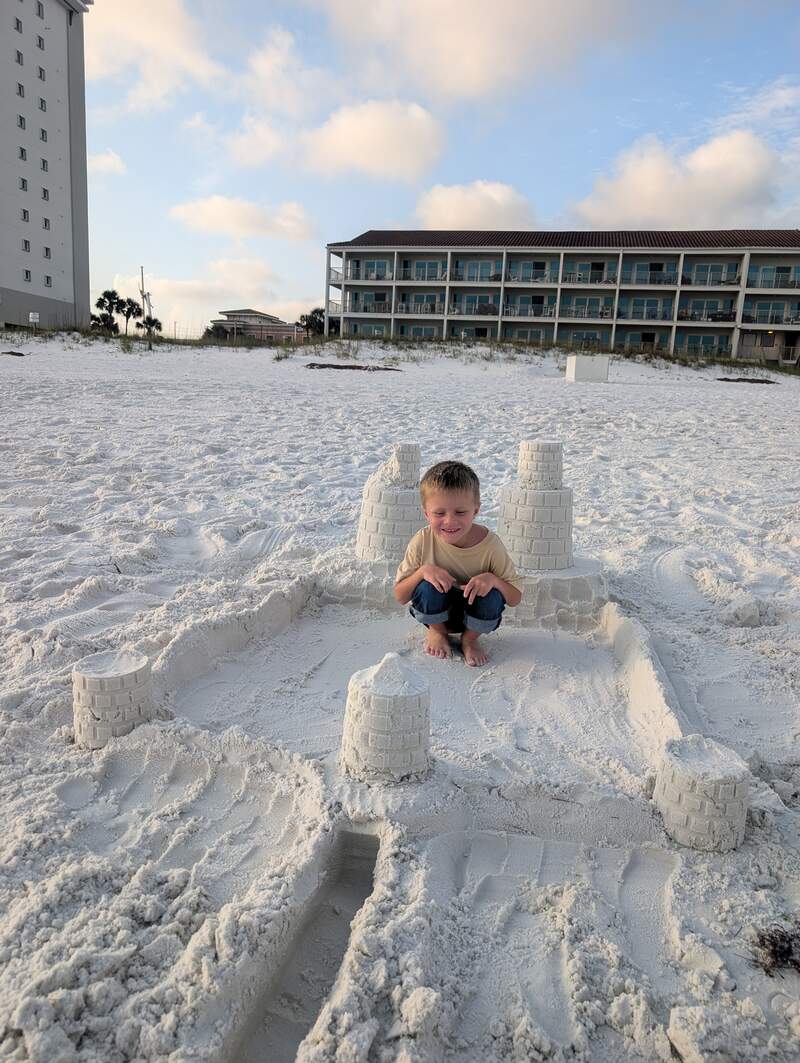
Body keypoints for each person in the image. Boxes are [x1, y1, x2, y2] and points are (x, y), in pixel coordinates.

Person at [394, 461, 523, 667]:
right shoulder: (422, 540)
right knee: (426, 586)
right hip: (436, 612)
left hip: (475, 616)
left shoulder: (491, 544)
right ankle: (437, 633)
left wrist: (493, 580)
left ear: (476, 510)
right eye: (439, 513)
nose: (449, 521)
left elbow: (515, 597)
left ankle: (469, 640)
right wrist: (423, 572)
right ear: (426, 513)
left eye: (460, 512)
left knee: (493, 594)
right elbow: (400, 596)